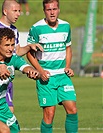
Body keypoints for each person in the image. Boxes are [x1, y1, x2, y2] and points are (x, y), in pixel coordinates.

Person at [26, 0, 78, 133]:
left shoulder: (66, 26)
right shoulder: (36, 28)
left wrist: (67, 66)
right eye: (49, 10)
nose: (52, 12)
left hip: (62, 75)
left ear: (59, 10)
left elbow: (68, 48)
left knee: (72, 109)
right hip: (46, 78)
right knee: (49, 114)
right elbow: (30, 54)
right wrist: (40, 71)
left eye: (54, 9)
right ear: (44, 11)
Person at [0, 0, 43, 113]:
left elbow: (17, 52)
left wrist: (30, 47)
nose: (18, 14)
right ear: (5, 11)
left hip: (8, 77)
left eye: (19, 11)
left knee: (9, 111)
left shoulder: (14, 30)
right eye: (15, 11)